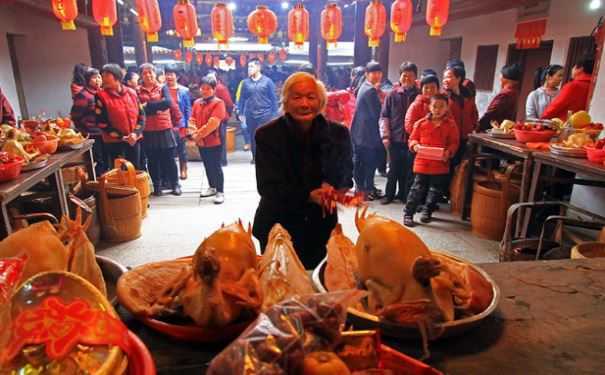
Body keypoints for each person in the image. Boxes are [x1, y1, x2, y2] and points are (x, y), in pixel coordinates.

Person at [253, 72, 353, 269]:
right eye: (296, 97)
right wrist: (308, 195)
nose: (304, 104)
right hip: (278, 225)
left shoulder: (338, 134)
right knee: (279, 287)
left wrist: (333, 188)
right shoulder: (267, 135)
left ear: (321, 100)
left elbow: (346, 177)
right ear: (285, 101)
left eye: (311, 97)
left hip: (321, 227)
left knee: (319, 287)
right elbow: (267, 186)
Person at [404, 94, 460, 227]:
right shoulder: (421, 123)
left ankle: (427, 212)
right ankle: (408, 214)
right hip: (422, 163)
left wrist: (449, 152)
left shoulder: (451, 125)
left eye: (441, 107)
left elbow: (454, 142)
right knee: (417, 189)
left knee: (435, 190)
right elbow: (412, 139)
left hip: (440, 163)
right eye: (435, 106)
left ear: (447, 108)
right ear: (429, 107)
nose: (438, 109)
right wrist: (415, 145)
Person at [137, 63, 182, 196]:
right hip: (148, 130)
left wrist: (148, 106)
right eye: (145, 73)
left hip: (164, 128)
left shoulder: (163, 88)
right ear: (141, 76)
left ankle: (175, 184)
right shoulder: (137, 90)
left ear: (155, 74)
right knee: (152, 160)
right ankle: (157, 186)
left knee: (169, 158)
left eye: (150, 72)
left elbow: (167, 103)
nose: (148, 75)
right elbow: (138, 109)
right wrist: (157, 106)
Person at [379, 61, 419, 205]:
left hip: (412, 140)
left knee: (408, 170)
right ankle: (389, 195)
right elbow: (384, 116)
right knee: (393, 169)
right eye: (404, 75)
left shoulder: (419, 96)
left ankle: (403, 195)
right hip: (394, 138)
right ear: (399, 77)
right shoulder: (392, 95)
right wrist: (385, 135)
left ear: (416, 77)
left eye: (410, 76)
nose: (407, 79)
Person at [96, 63, 144, 169]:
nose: (103, 79)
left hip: (134, 140)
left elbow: (141, 116)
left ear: (116, 76)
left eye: (106, 75)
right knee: (119, 172)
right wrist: (122, 137)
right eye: (102, 75)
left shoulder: (132, 92)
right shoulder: (101, 96)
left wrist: (135, 134)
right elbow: (101, 122)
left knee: (136, 169)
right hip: (114, 142)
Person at [351, 62, 385, 200]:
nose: (377, 75)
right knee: (368, 162)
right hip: (367, 134)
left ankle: (365, 188)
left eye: (379, 72)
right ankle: (366, 189)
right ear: (367, 74)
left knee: (361, 161)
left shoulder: (364, 86)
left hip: (360, 132)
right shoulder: (370, 90)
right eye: (373, 72)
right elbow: (376, 113)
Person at [191, 76, 227, 204]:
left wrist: (198, 135)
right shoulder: (196, 103)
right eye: (202, 88)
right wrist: (194, 133)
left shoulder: (219, 103)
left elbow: (213, 123)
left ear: (213, 89)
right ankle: (211, 187)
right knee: (207, 165)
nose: (204, 91)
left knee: (216, 166)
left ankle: (220, 191)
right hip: (201, 141)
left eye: (208, 88)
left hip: (214, 140)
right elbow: (192, 120)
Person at [237, 58, 279, 162]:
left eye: (251, 66)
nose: (249, 69)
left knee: (263, 136)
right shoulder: (246, 83)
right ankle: (255, 157)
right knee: (253, 136)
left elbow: (274, 99)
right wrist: (241, 112)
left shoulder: (268, 82)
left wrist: (275, 115)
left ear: (258, 67)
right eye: (248, 67)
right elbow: (242, 98)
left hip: (265, 114)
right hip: (250, 114)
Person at [71, 68, 106, 175]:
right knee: (99, 162)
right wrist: (83, 129)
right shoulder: (84, 95)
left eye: (99, 77)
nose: (98, 80)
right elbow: (75, 115)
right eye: (94, 78)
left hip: (104, 132)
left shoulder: (101, 93)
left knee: (106, 161)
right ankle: (97, 186)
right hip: (92, 134)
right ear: (88, 80)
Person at [443, 65, 478, 168]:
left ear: (458, 78)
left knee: (461, 169)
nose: (445, 80)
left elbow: (474, 114)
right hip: (448, 140)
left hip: (465, 138)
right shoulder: (443, 96)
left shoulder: (468, 95)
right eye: (444, 77)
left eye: (448, 77)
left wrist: (474, 127)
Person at [165, 65, 192, 180]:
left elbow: (187, 109)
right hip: (166, 124)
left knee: (181, 149)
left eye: (172, 74)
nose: (169, 76)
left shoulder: (184, 90)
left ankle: (183, 169)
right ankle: (170, 172)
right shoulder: (162, 89)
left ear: (177, 76)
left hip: (180, 124)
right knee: (169, 150)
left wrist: (188, 126)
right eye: (167, 74)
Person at [478, 64, 523, 131]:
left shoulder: (505, 94)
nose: (499, 77)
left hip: (495, 130)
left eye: (500, 75)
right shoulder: (515, 92)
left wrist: (478, 126)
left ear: (504, 79)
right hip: (505, 129)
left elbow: (490, 114)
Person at [207, 70, 234, 167]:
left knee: (221, 139)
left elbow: (229, 103)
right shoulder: (207, 89)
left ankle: (222, 160)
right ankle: (214, 159)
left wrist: (227, 114)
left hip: (220, 119)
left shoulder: (220, 88)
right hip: (210, 119)